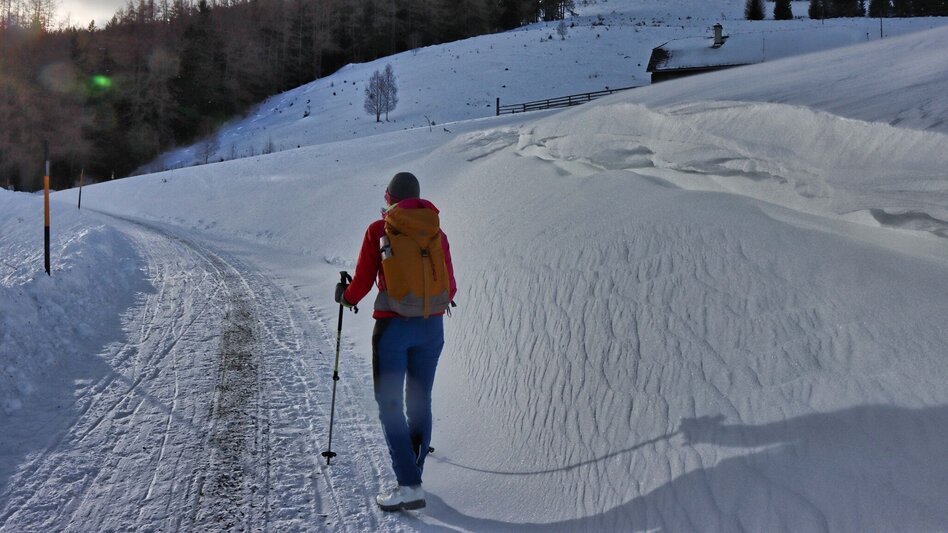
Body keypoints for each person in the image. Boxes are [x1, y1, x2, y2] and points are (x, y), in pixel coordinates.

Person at [335, 172, 457, 512]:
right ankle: (413, 475)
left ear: (389, 198)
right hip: (432, 329)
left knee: (390, 405)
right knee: (420, 400)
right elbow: (451, 286)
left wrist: (344, 297)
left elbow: (360, 284)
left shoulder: (379, 230)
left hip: (393, 330)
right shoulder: (436, 232)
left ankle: (407, 485)